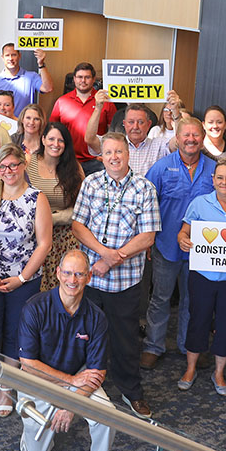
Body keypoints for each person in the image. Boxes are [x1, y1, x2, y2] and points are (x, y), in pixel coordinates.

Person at [72, 132, 160, 419]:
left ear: (128, 154)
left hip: (125, 282)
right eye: (108, 153)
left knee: (125, 340)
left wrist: (113, 259)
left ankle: (131, 390)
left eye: (118, 152)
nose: (113, 157)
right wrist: (103, 253)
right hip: (91, 278)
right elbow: (78, 226)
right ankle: (82, 386)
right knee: (84, 335)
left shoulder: (144, 188)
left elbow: (147, 237)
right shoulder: (91, 183)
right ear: (101, 156)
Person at [16, 250, 113, 451]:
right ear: (58, 274)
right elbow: (27, 364)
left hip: (80, 379)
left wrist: (70, 403)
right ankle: (30, 434)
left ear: (89, 277)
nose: (73, 279)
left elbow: (97, 372)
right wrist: (69, 383)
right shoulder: (34, 308)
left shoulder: (96, 317)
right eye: (68, 273)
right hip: (39, 380)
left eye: (80, 274)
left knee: (107, 415)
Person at [0, 144, 52, 416]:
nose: (8, 171)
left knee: (16, 332)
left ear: (23, 165)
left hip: (24, 280)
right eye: (2, 167)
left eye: (13, 165)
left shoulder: (37, 198)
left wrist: (22, 277)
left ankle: (6, 385)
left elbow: (44, 244)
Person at [176, 157, 226, 395]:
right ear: (213, 180)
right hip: (202, 276)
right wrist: (183, 239)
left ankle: (219, 372)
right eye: (220, 177)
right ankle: (191, 368)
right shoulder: (199, 203)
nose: (224, 182)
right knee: (197, 320)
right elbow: (185, 230)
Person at [142, 117, 216, 369]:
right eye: (186, 135)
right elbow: (147, 207)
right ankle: (153, 346)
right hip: (165, 246)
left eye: (196, 135)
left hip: (202, 249)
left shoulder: (214, 169)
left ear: (203, 137)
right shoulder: (161, 167)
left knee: (192, 300)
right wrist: (148, 240)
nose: (191, 140)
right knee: (160, 298)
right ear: (177, 137)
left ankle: (189, 346)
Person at [28, 121, 83, 292]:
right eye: (51, 139)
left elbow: (83, 205)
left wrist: (55, 218)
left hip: (64, 237)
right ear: (43, 139)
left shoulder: (74, 168)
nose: (55, 144)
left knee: (64, 288)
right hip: (33, 236)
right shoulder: (28, 163)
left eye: (60, 141)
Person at [55, 62, 115, 174]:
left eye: (87, 77)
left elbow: (113, 133)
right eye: (80, 77)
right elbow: (53, 132)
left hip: (97, 161)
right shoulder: (62, 101)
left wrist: (106, 154)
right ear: (74, 79)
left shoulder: (105, 102)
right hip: (68, 160)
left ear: (93, 79)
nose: (83, 81)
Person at [93, 103, 169, 178]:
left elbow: (178, 142)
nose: (135, 127)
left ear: (149, 124)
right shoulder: (113, 144)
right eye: (131, 122)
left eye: (140, 122)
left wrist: (176, 114)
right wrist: (98, 108)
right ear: (124, 123)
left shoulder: (159, 144)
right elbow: (90, 139)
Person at [0, 43, 53, 113]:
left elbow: (48, 88)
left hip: (25, 123)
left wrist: (41, 64)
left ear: (19, 56)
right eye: (7, 55)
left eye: (14, 55)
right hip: (1, 123)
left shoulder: (32, 77)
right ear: (2, 57)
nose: (10, 58)